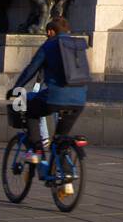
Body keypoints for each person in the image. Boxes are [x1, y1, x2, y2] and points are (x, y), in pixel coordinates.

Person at [10, 16, 87, 165]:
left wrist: (16, 88)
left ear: (51, 31)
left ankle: (35, 150)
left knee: (30, 110)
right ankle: (65, 180)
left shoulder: (49, 45)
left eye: (47, 32)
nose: (46, 35)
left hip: (56, 97)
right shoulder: (78, 45)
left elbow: (31, 70)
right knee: (60, 139)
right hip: (79, 100)